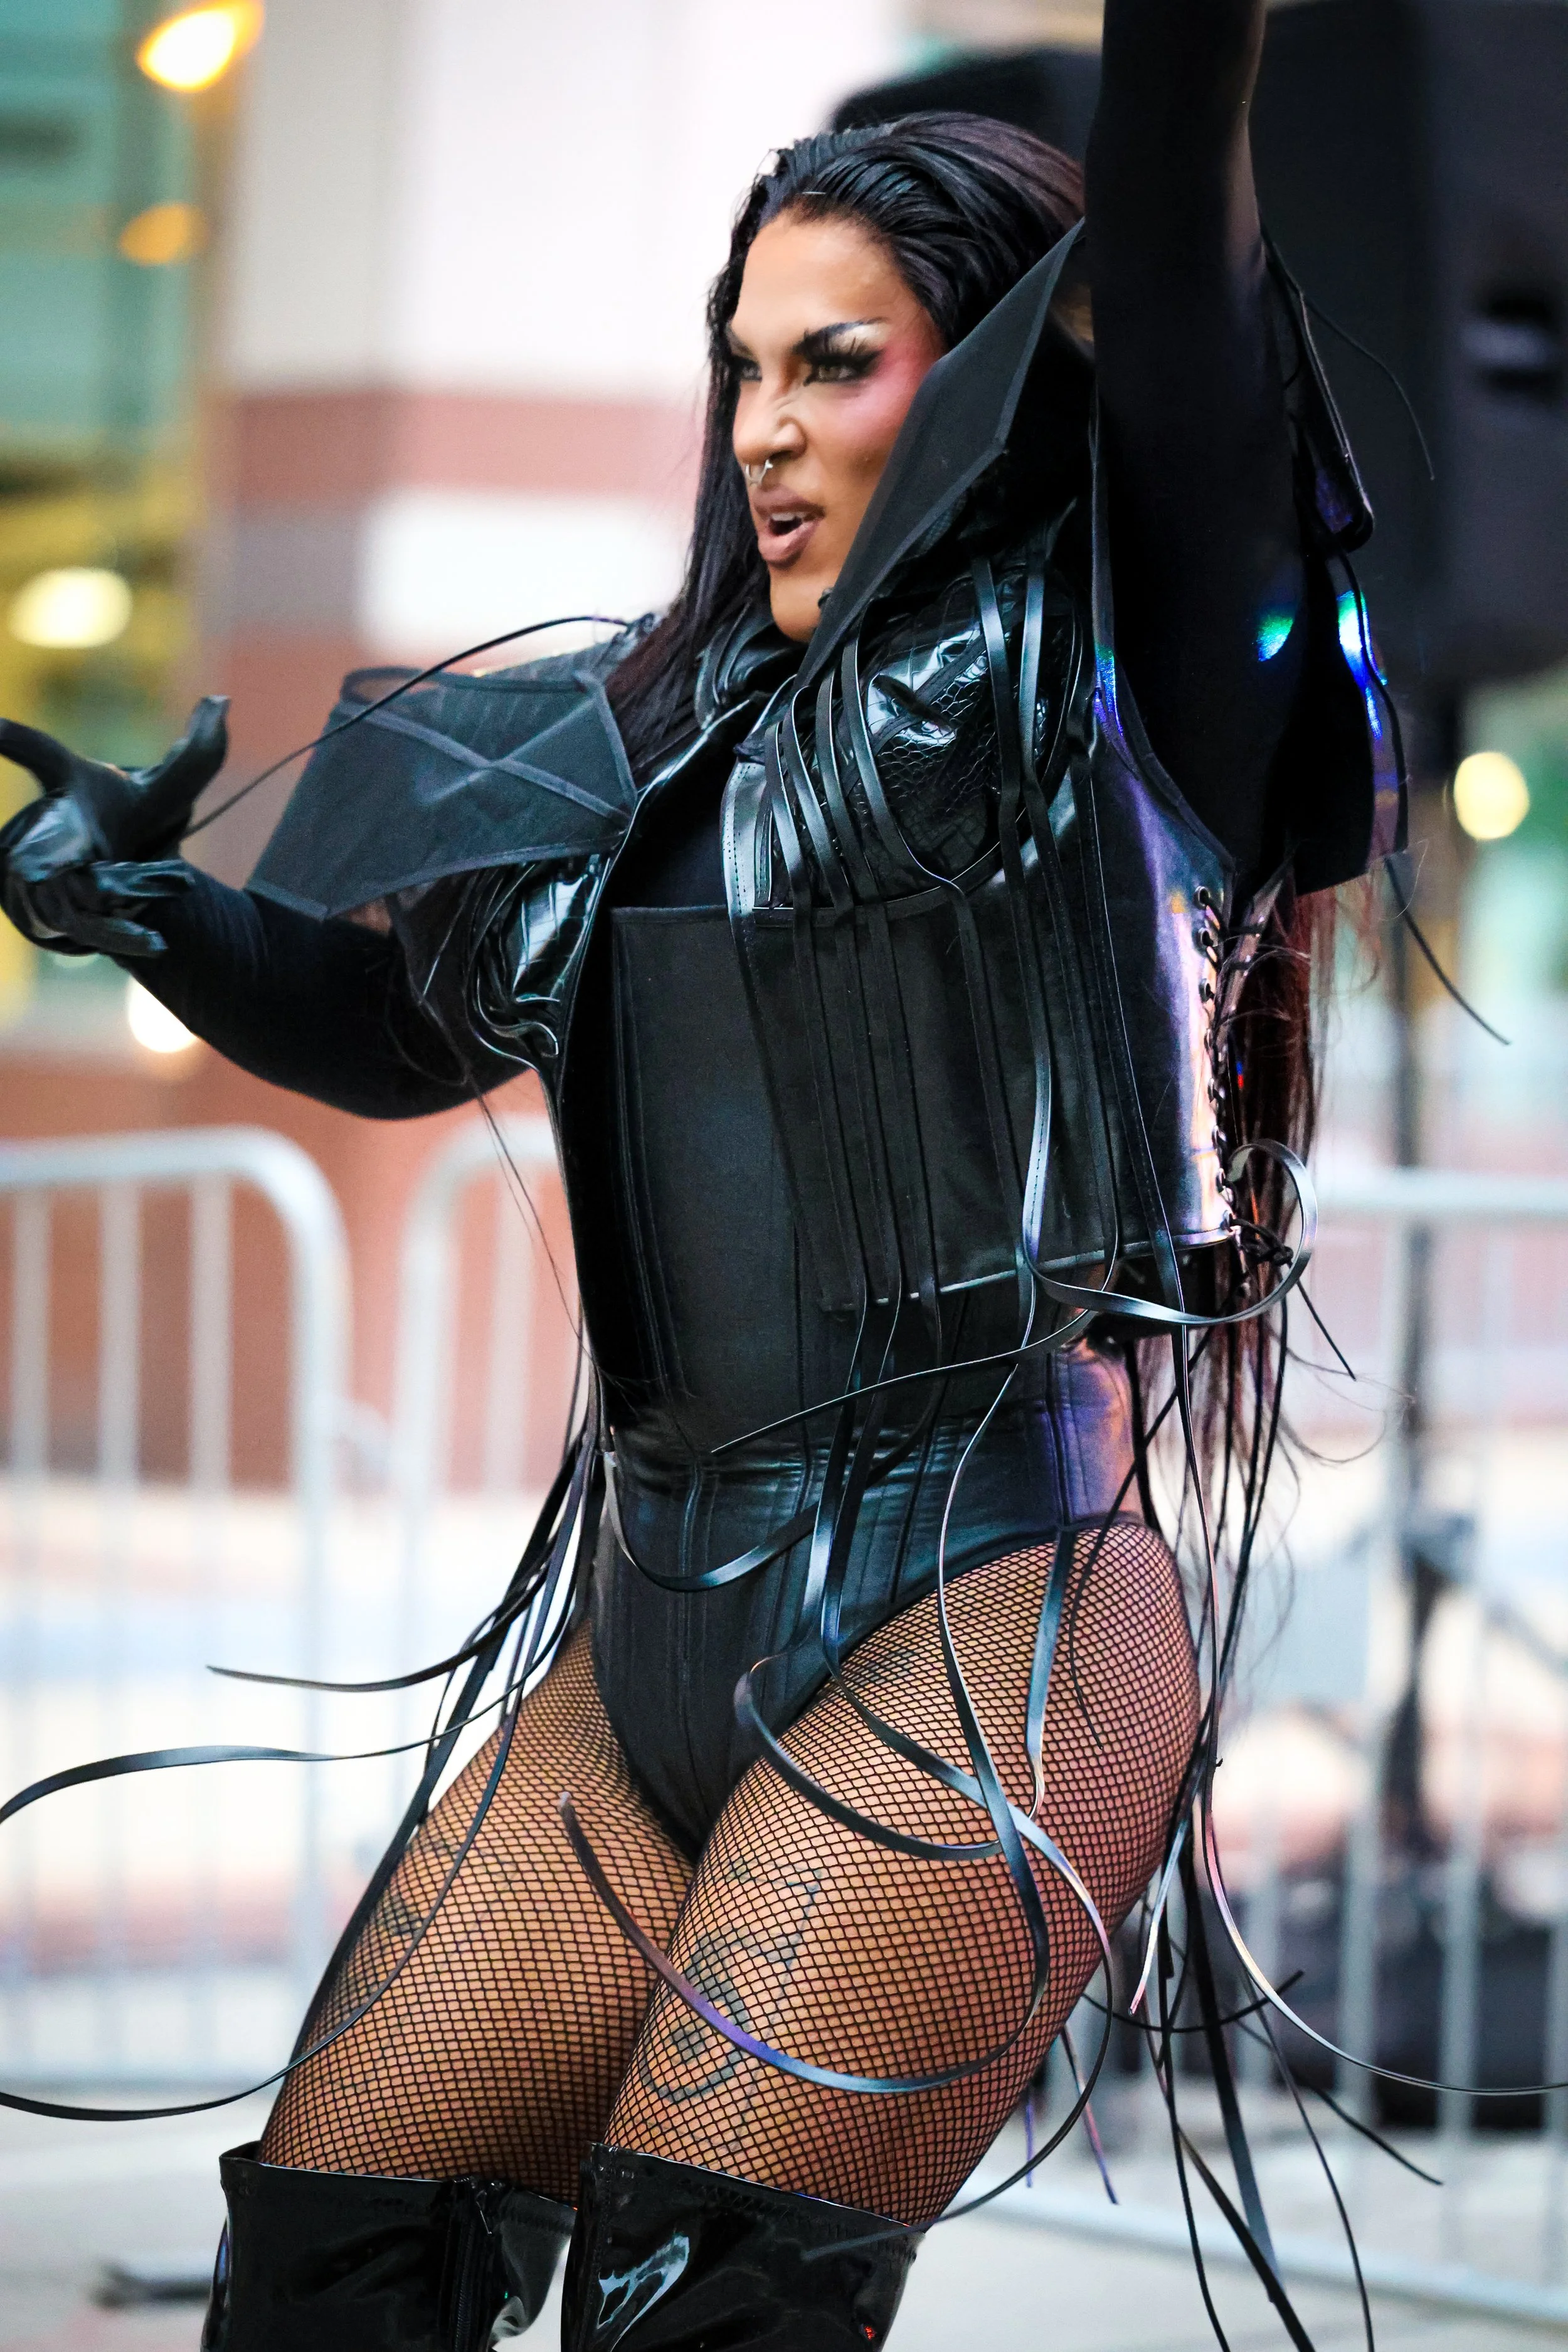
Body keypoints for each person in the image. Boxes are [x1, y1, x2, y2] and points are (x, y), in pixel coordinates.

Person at [0, 0, 1402, 2344]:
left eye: (834, 366)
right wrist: (148, 914)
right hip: (649, 1631)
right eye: (740, 366)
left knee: (692, 2301)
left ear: (981, 387)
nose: (762, 423)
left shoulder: (1110, 652)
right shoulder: (644, 728)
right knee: (334, 2256)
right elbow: (390, 1024)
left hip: (985, 1621)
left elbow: (1174, 237)